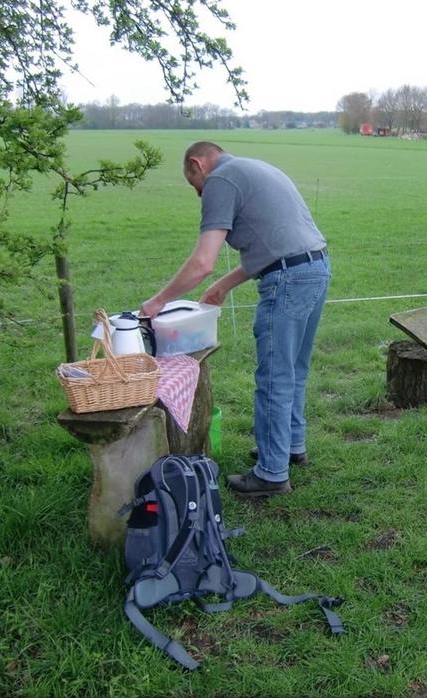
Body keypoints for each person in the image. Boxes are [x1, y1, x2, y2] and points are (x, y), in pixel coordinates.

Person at [141, 141, 330, 498]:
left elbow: (202, 261)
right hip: (315, 268)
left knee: (274, 374)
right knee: (293, 369)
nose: (199, 194)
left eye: (193, 183)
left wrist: (157, 302)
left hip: (289, 280)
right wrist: (223, 286)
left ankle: (272, 475)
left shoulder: (221, 180)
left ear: (198, 164)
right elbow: (275, 246)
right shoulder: (257, 168)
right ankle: (289, 447)